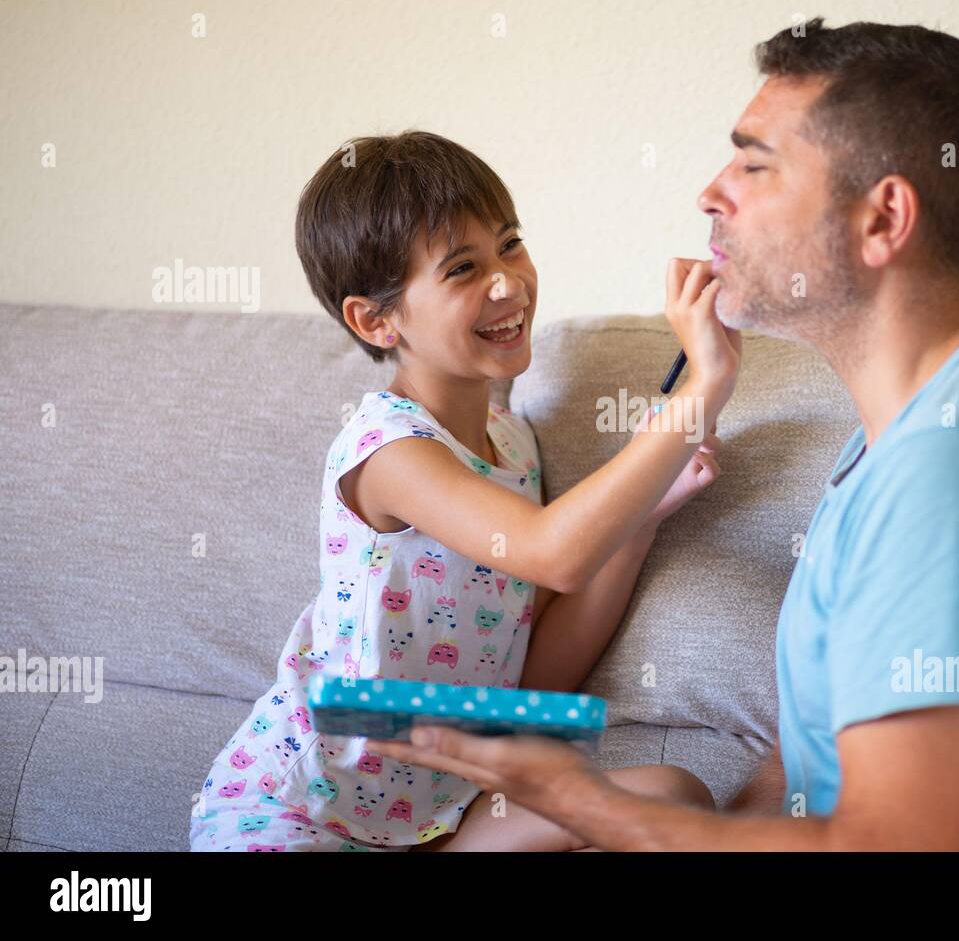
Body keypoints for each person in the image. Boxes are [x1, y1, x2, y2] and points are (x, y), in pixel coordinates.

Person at [373, 19, 959, 851]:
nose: (708, 194)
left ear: (883, 219)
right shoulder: (894, 447)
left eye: (754, 167)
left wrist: (586, 803)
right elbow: (800, 774)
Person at [189, 131, 740, 851]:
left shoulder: (512, 447)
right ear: (375, 318)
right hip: (300, 814)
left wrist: (642, 519)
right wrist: (703, 385)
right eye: (462, 268)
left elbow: (531, 681)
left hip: (440, 819)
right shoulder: (390, 452)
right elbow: (556, 554)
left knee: (677, 797)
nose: (508, 283)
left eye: (510, 245)